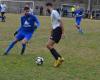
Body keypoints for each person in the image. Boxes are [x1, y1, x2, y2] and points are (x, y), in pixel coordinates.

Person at [46, 3, 64, 67]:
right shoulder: (52, 14)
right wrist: (52, 32)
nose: (46, 9)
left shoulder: (54, 12)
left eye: (47, 7)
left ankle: (58, 58)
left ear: (49, 6)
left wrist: (63, 33)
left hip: (57, 30)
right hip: (55, 30)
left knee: (48, 45)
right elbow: (54, 24)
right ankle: (59, 58)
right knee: (49, 45)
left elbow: (60, 21)